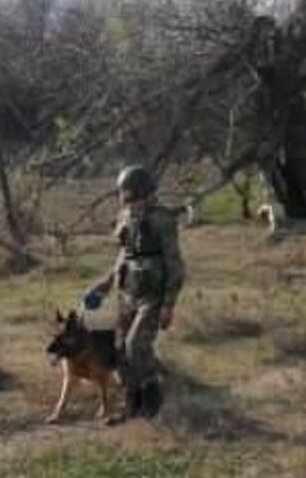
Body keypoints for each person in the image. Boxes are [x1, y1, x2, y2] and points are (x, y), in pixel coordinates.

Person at [87, 164, 185, 423]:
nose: (125, 198)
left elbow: (175, 265)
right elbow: (125, 253)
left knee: (136, 346)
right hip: (127, 292)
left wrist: (168, 305)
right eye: (124, 193)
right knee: (119, 350)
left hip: (152, 295)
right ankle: (131, 406)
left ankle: (153, 404)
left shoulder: (162, 219)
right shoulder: (125, 217)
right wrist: (108, 282)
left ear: (142, 191)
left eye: (129, 192)